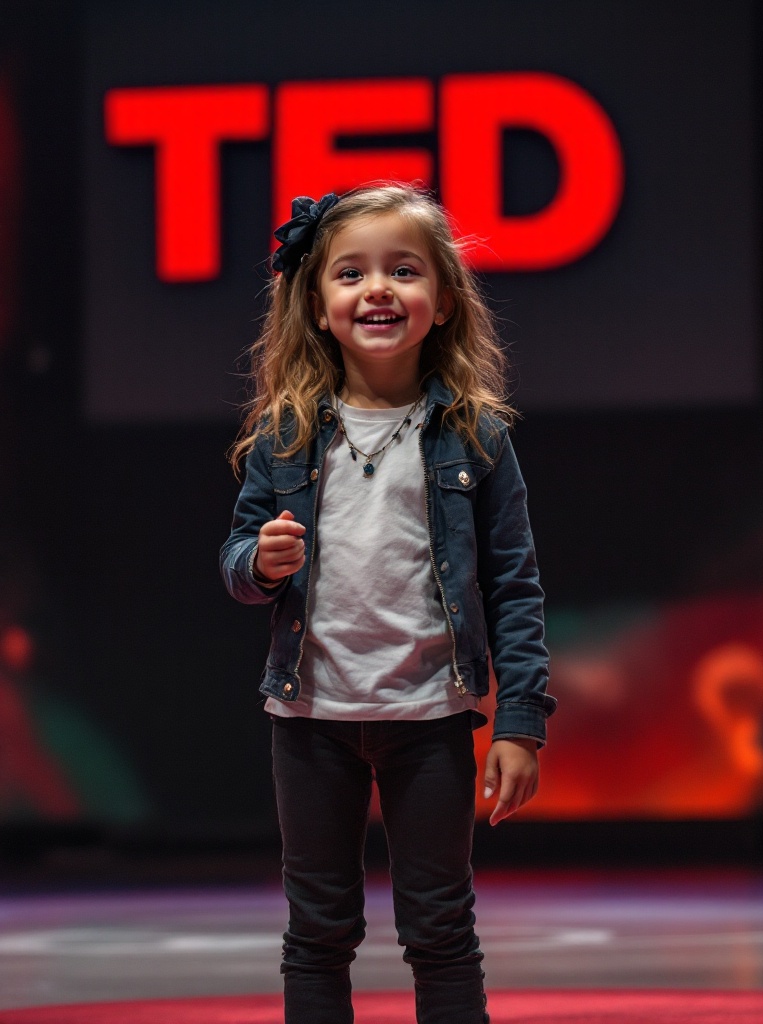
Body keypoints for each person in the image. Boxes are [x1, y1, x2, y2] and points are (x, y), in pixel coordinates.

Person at [220, 183, 555, 1024]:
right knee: (317, 933)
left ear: (442, 302)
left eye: (403, 271)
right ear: (318, 304)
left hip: (432, 720)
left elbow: (515, 584)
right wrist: (258, 563)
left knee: (442, 931)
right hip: (311, 721)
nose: (377, 289)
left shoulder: (476, 435)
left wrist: (519, 722)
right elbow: (234, 560)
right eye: (350, 273)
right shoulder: (287, 433)